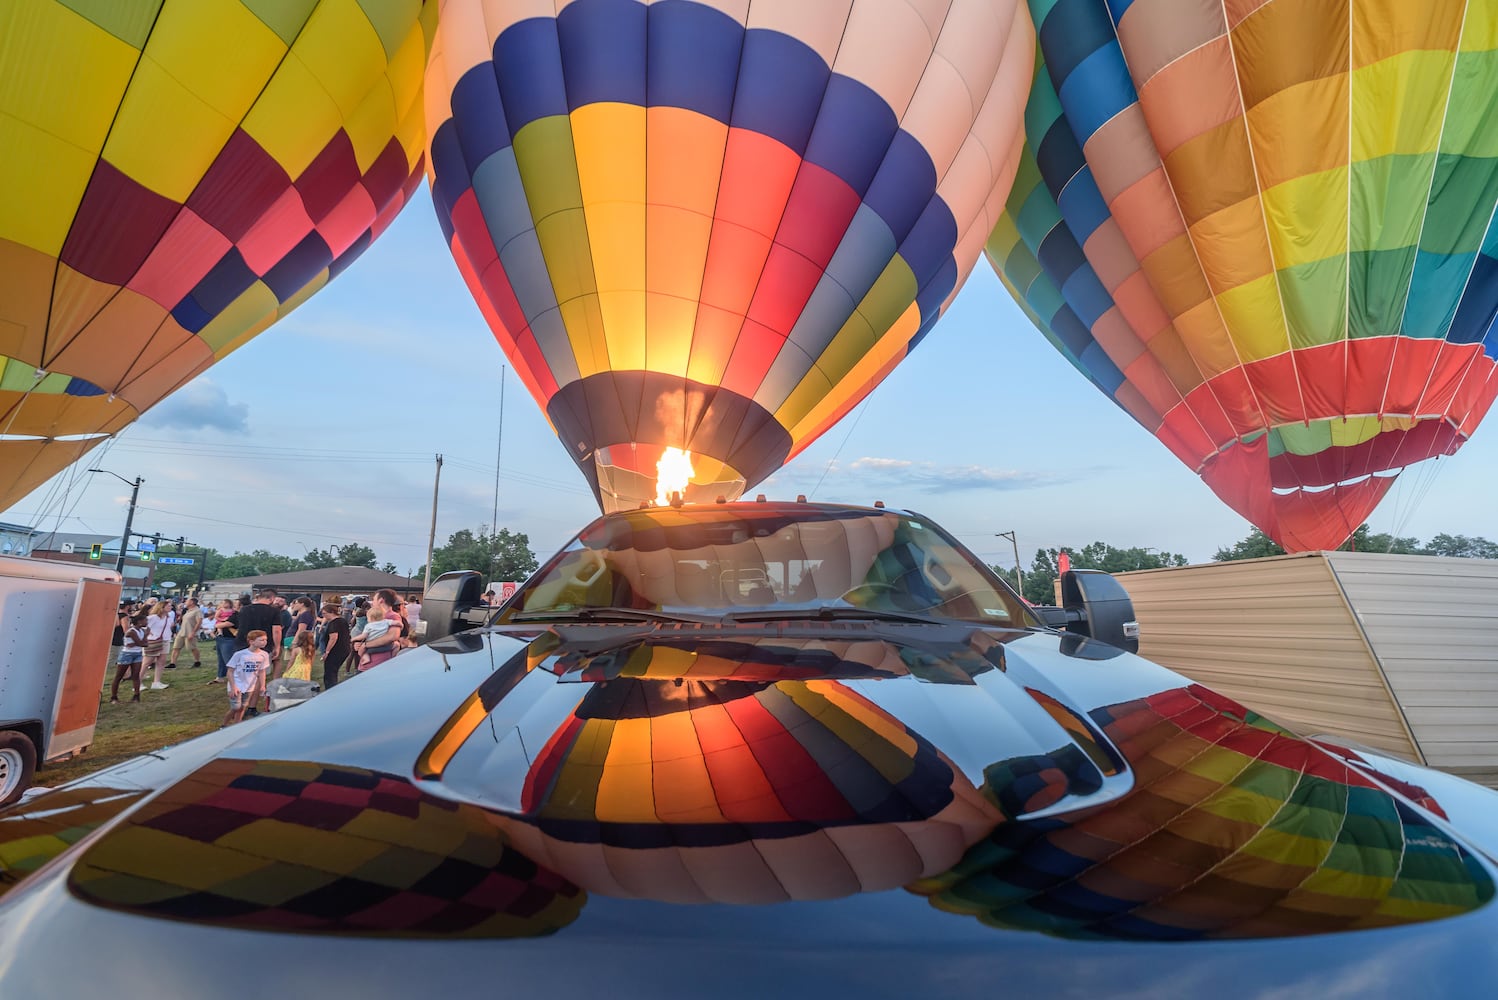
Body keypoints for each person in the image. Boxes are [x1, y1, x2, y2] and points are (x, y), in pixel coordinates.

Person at [233, 590, 283, 712]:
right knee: (257, 677)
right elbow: (276, 630)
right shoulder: (274, 611)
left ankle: (239, 705)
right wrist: (277, 647)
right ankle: (251, 707)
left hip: (243, 645)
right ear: (271, 598)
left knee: (242, 676)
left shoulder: (244, 609)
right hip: (262, 647)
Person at [223, 630, 271, 726]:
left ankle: (237, 725)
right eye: (261, 640)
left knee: (243, 707)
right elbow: (230, 671)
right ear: (251, 641)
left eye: (265, 640)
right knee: (236, 707)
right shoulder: (240, 654)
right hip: (237, 683)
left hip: (249, 685)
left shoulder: (264, 655)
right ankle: (224, 725)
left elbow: (262, 671)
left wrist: (262, 685)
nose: (264, 642)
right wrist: (233, 687)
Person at [109, 612, 147, 703]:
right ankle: (114, 697)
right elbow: (141, 643)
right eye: (145, 620)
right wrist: (140, 642)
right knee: (119, 676)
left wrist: (137, 643)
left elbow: (145, 643)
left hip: (137, 653)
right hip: (127, 654)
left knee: (136, 675)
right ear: (139, 622)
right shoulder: (131, 631)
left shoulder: (142, 631)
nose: (147, 622)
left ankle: (136, 696)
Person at [319, 603, 350, 690]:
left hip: (336, 651)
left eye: (325, 613)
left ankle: (330, 690)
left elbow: (333, 638)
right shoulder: (342, 620)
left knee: (330, 673)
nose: (323, 616)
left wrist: (327, 651)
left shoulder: (334, 623)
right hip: (344, 649)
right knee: (334, 671)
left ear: (332, 612)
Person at [143, 600, 172, 691]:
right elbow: (143, 626)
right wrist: (150, 634)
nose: (170, 607)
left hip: (165, 640)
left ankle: (156, 682)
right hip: (153, 641)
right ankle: (138, 682)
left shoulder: (168, 617)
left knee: (161, 662)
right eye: (168, 606)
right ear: (161, 607)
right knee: (147, 662)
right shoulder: (153, 617)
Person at [168, 597, 203, 669]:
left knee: (192, 648)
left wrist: (193, 632)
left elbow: (199, 622)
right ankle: (172, 663)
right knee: (176, 647)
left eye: (187, 601)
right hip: (182, 631)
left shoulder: (197, 611)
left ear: (192, 602)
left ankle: (197, 661)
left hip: (190, 632)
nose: (185, 602)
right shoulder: (187, 610)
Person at [210, 599, 236, 683]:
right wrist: (221, 622)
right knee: (221, 658)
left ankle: (232, 676)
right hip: (222, 636)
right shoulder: (220, 610)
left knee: (228, 658)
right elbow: (217, 620)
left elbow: (230, 623)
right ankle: (220, 675)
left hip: (229, 637)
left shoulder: (235, 614)